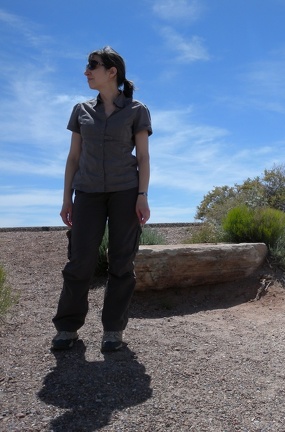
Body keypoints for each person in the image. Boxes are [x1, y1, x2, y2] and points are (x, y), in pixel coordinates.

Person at [51, 46, 152, 352]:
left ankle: (113, 330)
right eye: (87, 65)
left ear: (112, 72)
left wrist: (142, 196)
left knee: (121, 262)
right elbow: (73, 158)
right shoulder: (81, 110)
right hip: (87, 193)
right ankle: (67, 327)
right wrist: (67, 199)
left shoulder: (136, 110)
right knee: (80, 260)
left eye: (92, 66)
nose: (86, 71)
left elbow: (144, 158)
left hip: (125, 192)